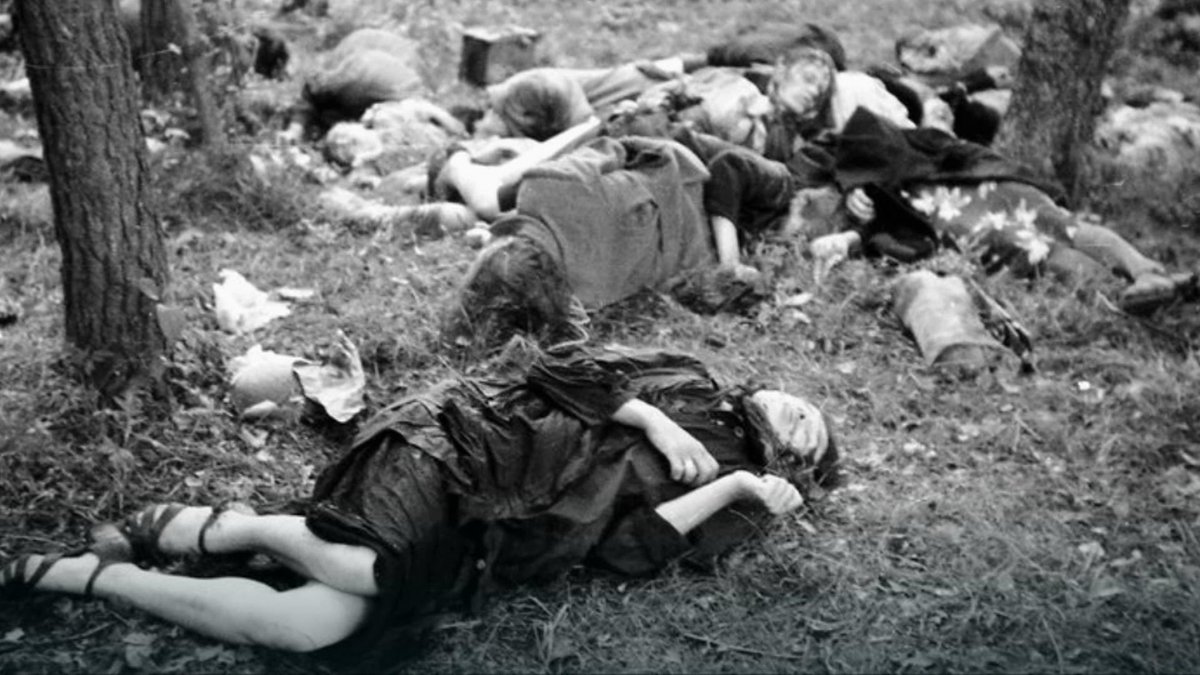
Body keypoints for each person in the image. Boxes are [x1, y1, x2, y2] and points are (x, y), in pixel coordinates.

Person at [0, 347, 837, 663]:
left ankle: (98, 577)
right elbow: (554, 365)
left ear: (793, 461)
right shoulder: (687, 376)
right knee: (370, 566)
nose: (805, 414)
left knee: (312, 627)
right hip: (463, 442)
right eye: (809, 404)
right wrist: (653, 415)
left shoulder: (737, 496)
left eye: (813, 436)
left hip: (492, 538)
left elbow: (623, 551)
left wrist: (734, 488)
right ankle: (232, 528)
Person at [802, 107, 1195, 312]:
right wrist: (856, 203)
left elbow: (901, 145)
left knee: (1060, 225)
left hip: (972, 187)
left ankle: (1146, 272)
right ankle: (1128, 293)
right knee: (1038, 251)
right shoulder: (823, 169)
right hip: (949, 220)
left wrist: (858, 183)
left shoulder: (859, 128)